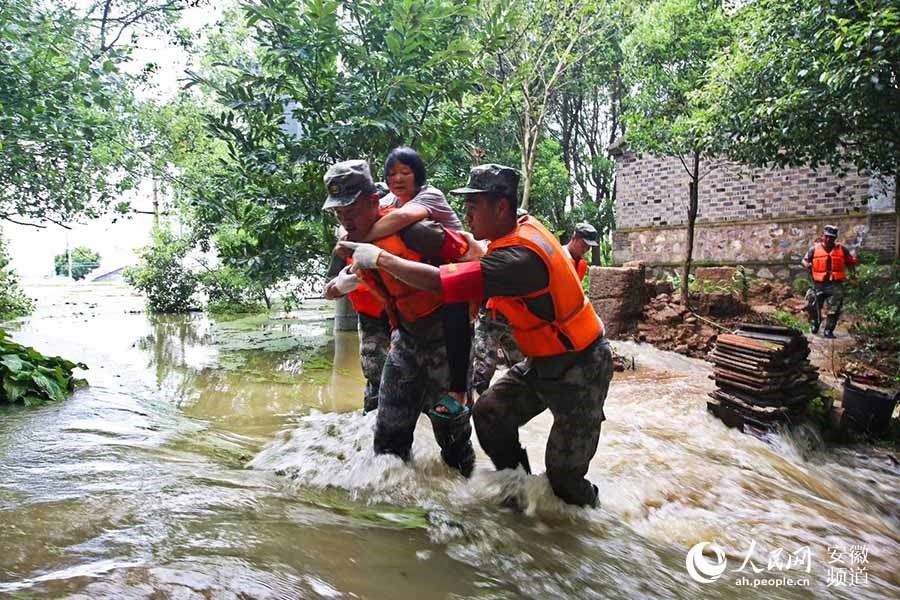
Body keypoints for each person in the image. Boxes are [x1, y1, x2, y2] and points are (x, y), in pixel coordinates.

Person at [342, 164, 614, 508]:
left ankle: (593, 521)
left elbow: (442, 283)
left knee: (564, 479)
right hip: (542, 361)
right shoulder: (518, 224)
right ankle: (519, 496)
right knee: (489, 413)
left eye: (473, 207)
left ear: (501, 207)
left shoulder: (519, 259)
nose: (466, 215)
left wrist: (381, 258)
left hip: (583, 366)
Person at [325, 159, 477, 476]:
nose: (346, 220)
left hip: (446, 342)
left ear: (373, 201)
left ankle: (466, 495)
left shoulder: (417, 233)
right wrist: (344, 282)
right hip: (404, 342)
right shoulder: (349, 243)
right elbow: (329, 289)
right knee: (387, 440)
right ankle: (391, 503)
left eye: (351, 211)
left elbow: (470, 265)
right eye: (339, 214)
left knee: (453, 441)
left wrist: (459, 381)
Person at [801, 225, 858, 338]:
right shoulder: (814, 249)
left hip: (834, 283)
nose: (828, 239)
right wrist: (806, 264)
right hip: (818, 283)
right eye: (826, 236)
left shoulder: (842, 249)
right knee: (812, 305)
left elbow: (851, 262)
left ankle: (828, 330)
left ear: (835, 238)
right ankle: (815, 323)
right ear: (823, 236)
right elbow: (804, 260)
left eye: (831, 237)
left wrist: (853, 277)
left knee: (834, 308)